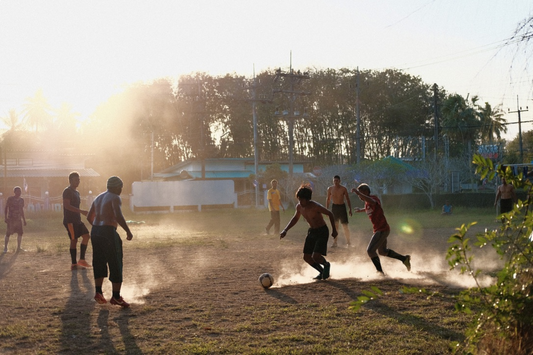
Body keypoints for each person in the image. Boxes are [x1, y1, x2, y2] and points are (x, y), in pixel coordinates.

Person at [87, 176, 133, 308]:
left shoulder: (98, 197)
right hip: (108, 232)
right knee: (116, 262)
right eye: (120, 188)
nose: (121, 190)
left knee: (99, 261)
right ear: (116, 187)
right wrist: (127, 231)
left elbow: (90, 217)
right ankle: (116, 297)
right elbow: (118, 215)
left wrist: (98, 227)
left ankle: (98, 292)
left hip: (95, 232)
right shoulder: (115, 197)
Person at [280, 184, 338, 280]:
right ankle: (321, 271)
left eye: (302, 200)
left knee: (316, 256)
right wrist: (285, 230)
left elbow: (330, 214)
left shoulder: (315, 206)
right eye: (299, 199)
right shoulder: (299, 207)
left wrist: (334, 230)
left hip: (322, 231)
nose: (300, 202)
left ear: (308, 199)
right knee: (307, 257)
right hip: (312, 231)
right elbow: (295, 218)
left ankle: (326, 264)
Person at [352, 183, 411, 275]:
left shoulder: (373, 198)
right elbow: (369, 206)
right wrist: (361, 210)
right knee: (382, 251)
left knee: (370, 251)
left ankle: (380, 272)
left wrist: (357, 192)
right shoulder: (367, 202)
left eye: (361, 192)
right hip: (379, 229)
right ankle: (404, 259)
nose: (359, 195)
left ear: (366, 192)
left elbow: (373, 202)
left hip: (382, 229)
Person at [63, 172, 91, 270]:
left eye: (79, 179)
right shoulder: (67, 191)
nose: (78, 181)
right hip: (70, 220)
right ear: (70, 181)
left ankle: (82, 260)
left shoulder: (77, 192)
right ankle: (74, 263)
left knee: (86, 236)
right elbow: (67, 206)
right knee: (74, 240)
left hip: (77, 220)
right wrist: (81, 211)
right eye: (76, 180)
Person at [326, 175, 352, 247]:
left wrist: (350, 209)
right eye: (334, 181)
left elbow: (347, 199)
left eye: (337, 181)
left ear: (339, 181)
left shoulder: (343, 189)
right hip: (335, 207)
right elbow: (328, 199)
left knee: (345, 225)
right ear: (333, 181)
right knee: (335, 226)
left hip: (342, 207)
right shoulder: (330, 189)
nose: (335, 182)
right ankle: (335, 242)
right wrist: (326, 209)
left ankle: (348, 242)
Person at [4, 186, 26, 253]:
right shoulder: (10, 199)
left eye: (20, 191)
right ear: (14, 192)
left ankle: (18, 248)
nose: (19, 193)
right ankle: (5, 248)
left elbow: (22, 210)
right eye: (17, 191)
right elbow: (6, 208)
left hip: (18, 219)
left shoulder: (21, 200)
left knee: (20, 233)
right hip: (11, 219)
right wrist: (5, 217)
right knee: (8, 233)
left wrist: (24, 219)